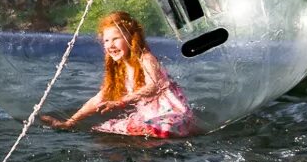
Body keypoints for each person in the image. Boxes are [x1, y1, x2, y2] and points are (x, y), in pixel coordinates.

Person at [40, 10, 197, 138]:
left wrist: (121, 102)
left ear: (131, 38)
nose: (110, 45)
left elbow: (153, 87)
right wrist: (70, 122)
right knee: (104, 130)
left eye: (116, 39)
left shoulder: (146, 59)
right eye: (106, 41)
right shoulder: (120, 69)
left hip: (173, 116)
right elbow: (100, 98)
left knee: (158, 130)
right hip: (149, 117)